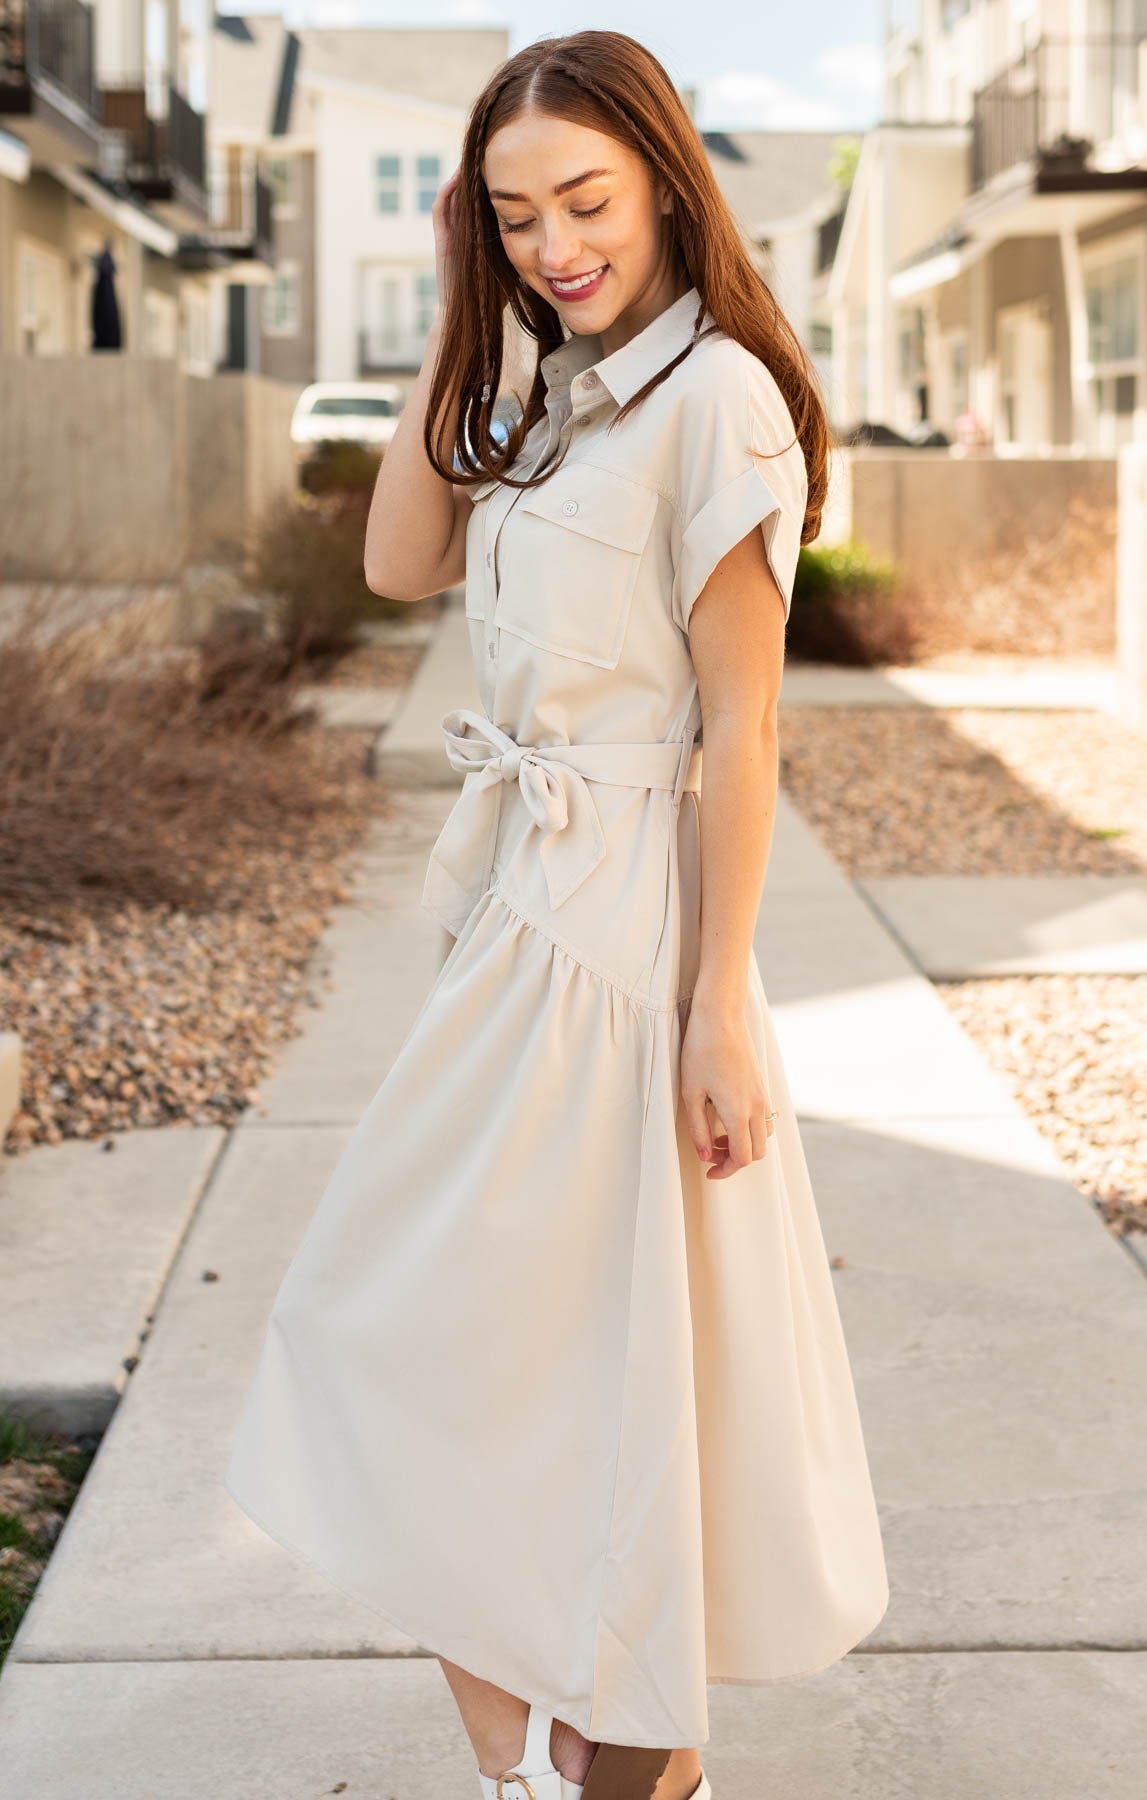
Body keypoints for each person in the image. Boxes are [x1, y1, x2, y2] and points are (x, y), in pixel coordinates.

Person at [223, 29, 889, 1800]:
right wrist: (463, 308)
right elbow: (397, 565)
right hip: (518, 914)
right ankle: (555, 1771)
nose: (552, 244)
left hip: (622, 947)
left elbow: (744, 723)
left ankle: (607, 1773)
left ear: (668, 183)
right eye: (510, 216)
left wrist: (719, 1006)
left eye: (581, 202)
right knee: (419, 1343)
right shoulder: (554, 393)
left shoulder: (719, 401)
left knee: (593, 1386)